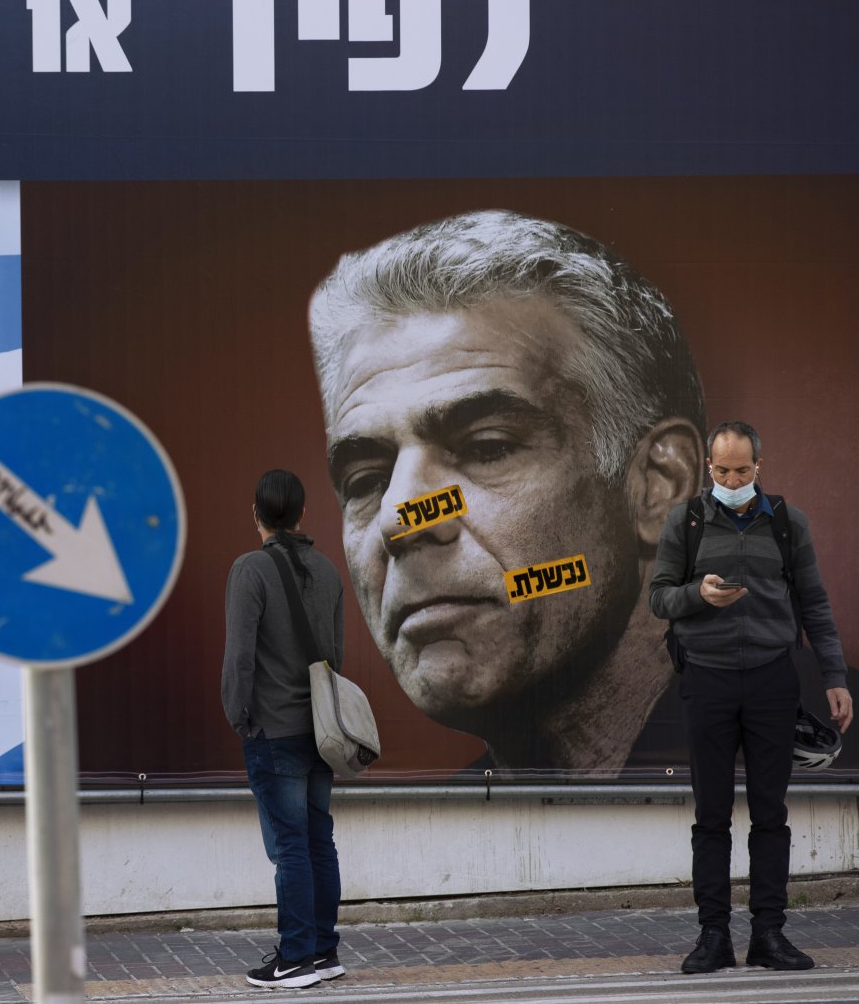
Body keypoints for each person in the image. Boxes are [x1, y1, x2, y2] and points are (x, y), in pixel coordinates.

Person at [308, 209, 709, 775]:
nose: (400, 518)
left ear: (658, 489)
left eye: (487, 447)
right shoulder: (446, 849)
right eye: (367, 481)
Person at [648, 421, 853, 974]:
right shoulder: (685, 521)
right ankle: (713, 936)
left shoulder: (788, 524)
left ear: (759, 467)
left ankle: (770, 935)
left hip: (770, 680)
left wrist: (834, 677)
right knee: (710, 816)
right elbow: (659, 598)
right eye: (722, 470)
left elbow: (814, 605)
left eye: (742, 470)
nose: (732, 479)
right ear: (707, 467)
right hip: (707, 681)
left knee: (771, 815)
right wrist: (699, 595)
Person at [221, 470, 347, 989]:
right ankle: (323, 950)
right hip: (322, 729)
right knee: (319, 840)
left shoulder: (250, 569)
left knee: (290, 846)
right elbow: (335, 658)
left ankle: (295, 958)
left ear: (257, 515)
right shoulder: (329, 571)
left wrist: (239, 717)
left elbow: (239, 657)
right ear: (300, 515)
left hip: (272, 731)